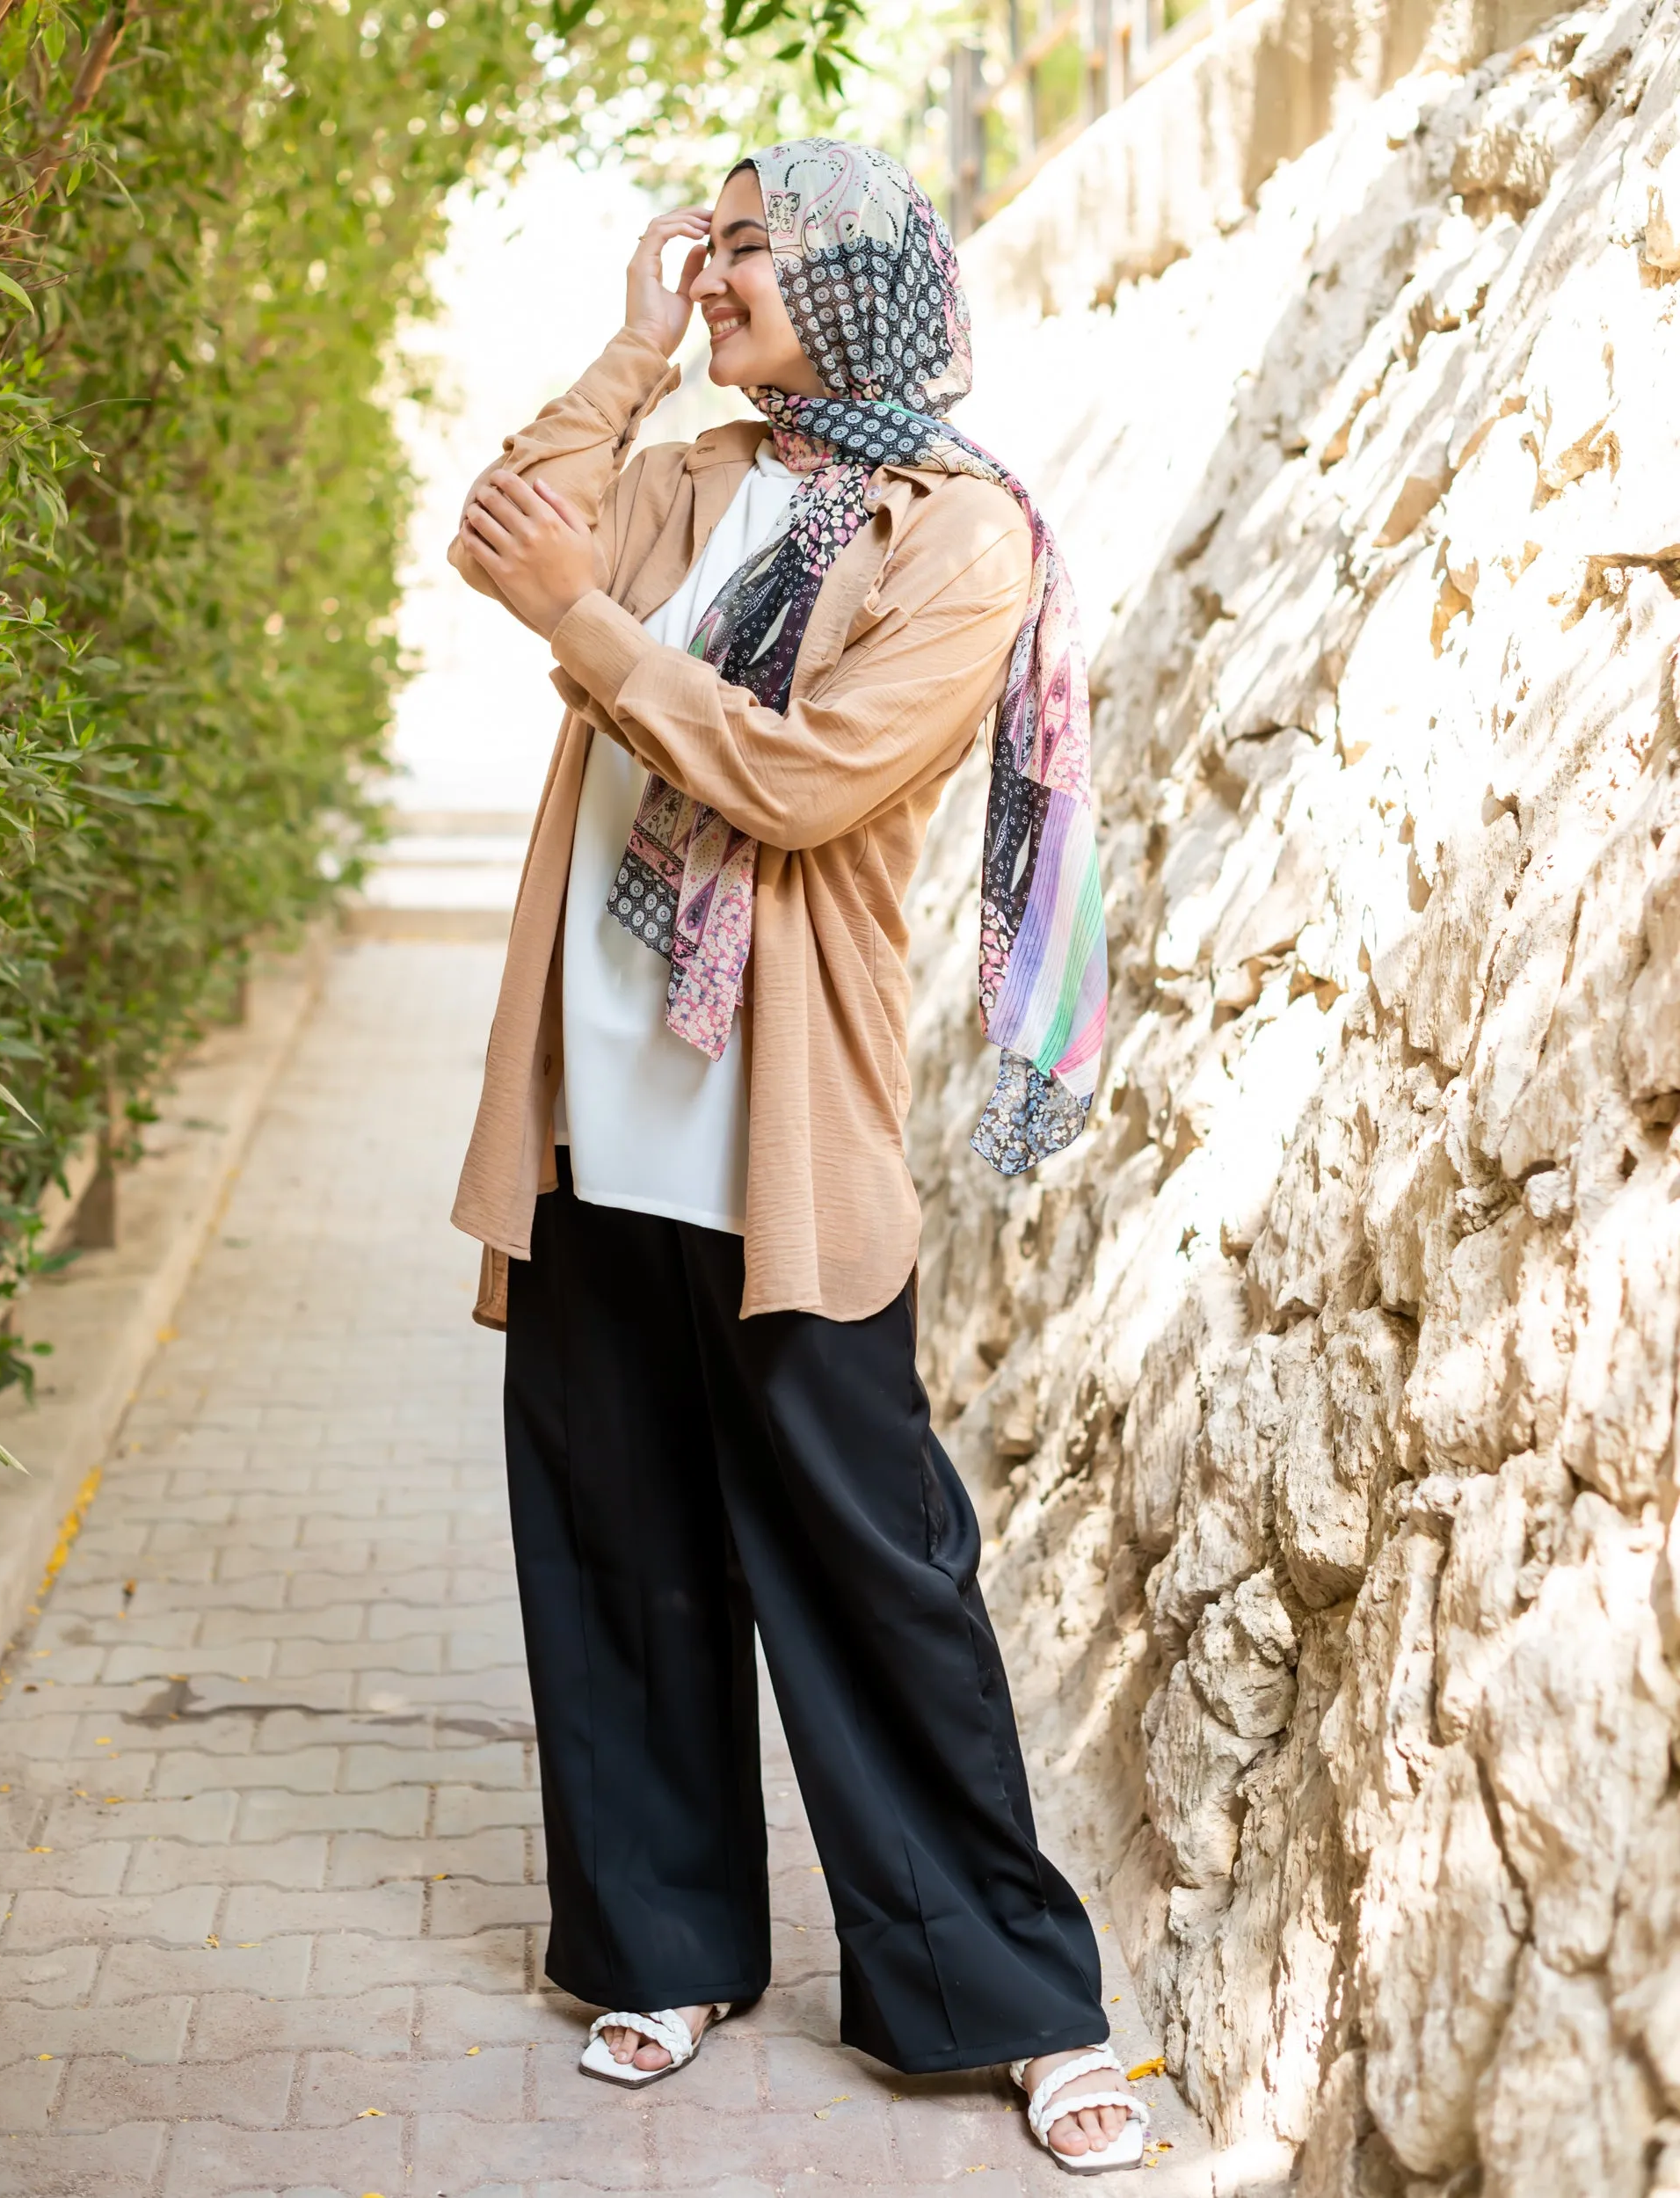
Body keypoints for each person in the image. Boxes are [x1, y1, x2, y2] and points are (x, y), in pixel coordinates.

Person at [447, 140, 1140, 2174]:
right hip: (591, 1110)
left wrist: (589, 628)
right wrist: (622, 354)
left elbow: (812, 774)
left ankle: (1009, 1994)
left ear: (858, 285)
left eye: (758, 244)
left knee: (875, 1569)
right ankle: (661, 1945)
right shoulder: (684, 469)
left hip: (783, 1141)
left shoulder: (959, 534)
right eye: (714, 238)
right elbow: (515, 521)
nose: (722, 268)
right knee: (618, 1544)